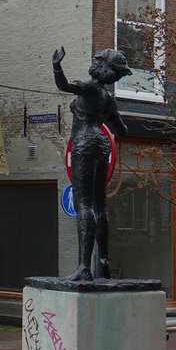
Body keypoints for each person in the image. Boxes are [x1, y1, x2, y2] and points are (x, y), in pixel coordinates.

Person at [53, 46, 131, 282]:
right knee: (100, 206)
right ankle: (103, 264)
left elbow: (64, 86)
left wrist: (56, 65)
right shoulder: (109, 100)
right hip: (102, 144)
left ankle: (84, 267)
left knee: (83, 204)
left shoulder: (88, 88)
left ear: (101, 67)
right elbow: (122, 131)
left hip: (84, 143)